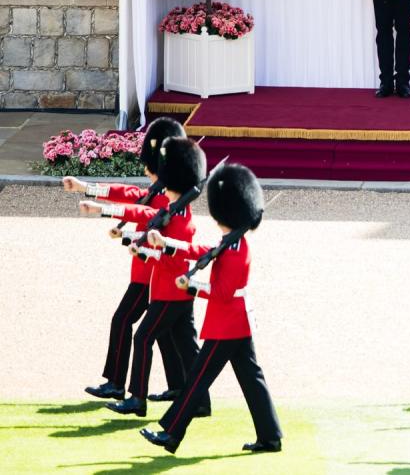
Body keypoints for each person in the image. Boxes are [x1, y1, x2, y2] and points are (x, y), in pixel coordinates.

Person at [139, 163, 283, 455]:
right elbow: (203, 251)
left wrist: (190, 287)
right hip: (235, 324)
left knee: (196, 380)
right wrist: (167, 243)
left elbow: (223, 293)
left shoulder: (237, 251)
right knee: (251, 379)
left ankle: (171, 433)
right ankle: (270, 436)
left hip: (227, 325)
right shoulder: (231, 244)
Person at [79, 137, 209, 419]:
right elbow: (139, 211)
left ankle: (136, 398)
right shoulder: (173, 210)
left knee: (143, 336)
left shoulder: (181, 218)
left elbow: (169, 257)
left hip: (169, 291)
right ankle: (199, 400)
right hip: (170, 292)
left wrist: (142, 251)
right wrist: (115, 222)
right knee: (185, 345)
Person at [68, 117, 188, 404]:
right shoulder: (159, 190)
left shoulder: (168, 197)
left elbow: (141, 211)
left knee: (123, 320)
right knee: (166, 332)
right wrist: (86, 187)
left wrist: (103, 210)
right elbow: (132, 198)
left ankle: (116, 383)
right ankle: (178, 386)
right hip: (147, 272)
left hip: (149, 275)